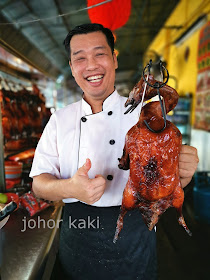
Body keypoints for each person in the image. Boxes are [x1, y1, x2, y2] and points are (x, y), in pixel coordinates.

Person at [30, 23, 199, 280]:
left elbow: (169, 178)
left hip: (135, 239)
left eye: (100, 54)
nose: (91, 65)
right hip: (78, 237)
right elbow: (39, 185)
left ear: (114, 59)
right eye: (80, 58)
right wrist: (71, 189)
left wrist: (184, 170)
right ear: (73, 68)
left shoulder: (145, 114)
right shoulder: (59, 120)